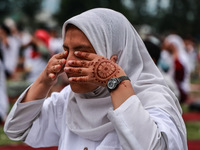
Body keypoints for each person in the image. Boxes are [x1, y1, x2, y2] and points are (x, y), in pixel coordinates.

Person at [4, 8, 187, 150]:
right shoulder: (70, 100)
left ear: (114, 57)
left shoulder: (152, 99)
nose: (68, 63)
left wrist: (115, 81)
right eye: (67, 51)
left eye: (82, 53)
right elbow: (16, 128)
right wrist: (44, 80)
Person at [161, 34, 191, 103]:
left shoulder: (183, 57)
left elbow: (180, 74)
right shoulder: (165, 54)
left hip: (179, 87)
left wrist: (175, 53)